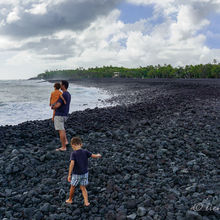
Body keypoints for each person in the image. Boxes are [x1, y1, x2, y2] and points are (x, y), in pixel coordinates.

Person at [66, 137, 102, 206]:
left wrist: (69, 174)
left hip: (76, 174)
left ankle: (70, 199)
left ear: (72, 145)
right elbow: (93, 156)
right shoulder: (85, 151)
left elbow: (72, 164)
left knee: (72, 187)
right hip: (85, 173)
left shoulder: (73, 154)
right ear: (81, 144)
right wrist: (98, 155)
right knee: (83, 187)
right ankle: (86, 202)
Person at [52, 80, 71, 151]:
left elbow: (58, 105)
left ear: (63, 86)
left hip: (59, 114)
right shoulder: (68, 94)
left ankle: (63, 147)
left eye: (60, 84)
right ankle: (65, 142)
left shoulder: (63, 94)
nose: (60, 85)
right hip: (65, 114)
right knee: (62, 128)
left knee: (61, 130)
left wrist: (53, 106)